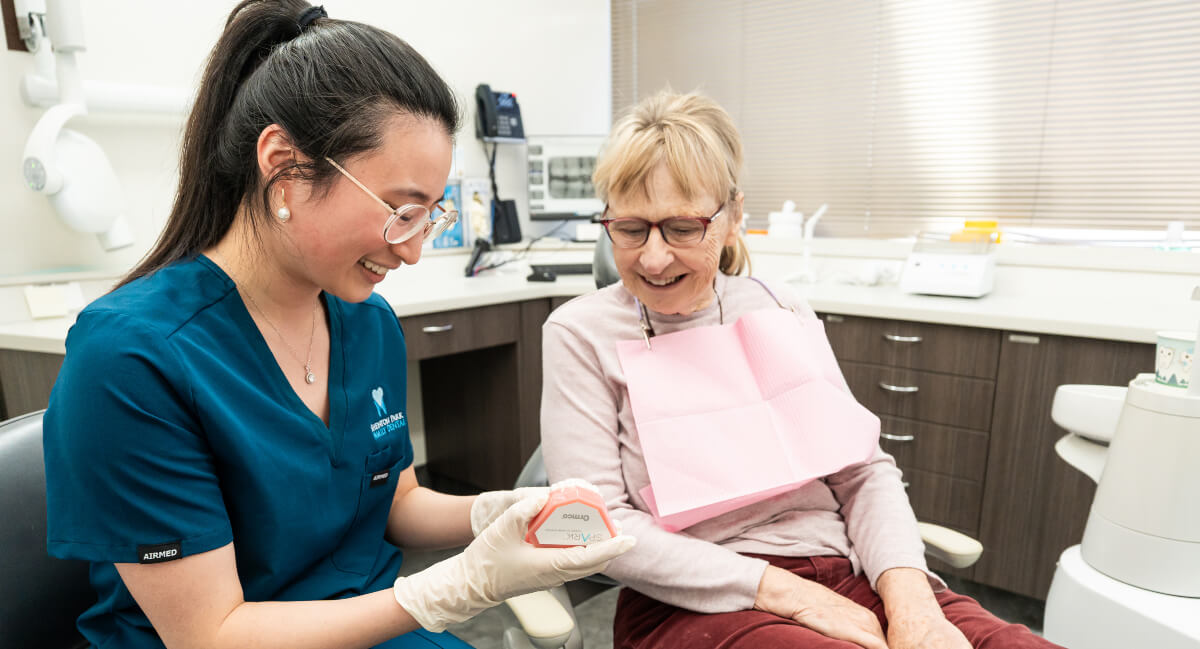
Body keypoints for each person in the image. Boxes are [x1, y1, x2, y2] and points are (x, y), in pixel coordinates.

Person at [42, 3, 633, 648]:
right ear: (284, 164)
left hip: (363, 626)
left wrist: (500, 511)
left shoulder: (366, 323)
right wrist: (455, 587)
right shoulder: (131, 359)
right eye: (401, 211)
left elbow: (395, 503)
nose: (411, 249)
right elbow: (210, 634)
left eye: (429, 216)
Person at [539, 90, 1062, 649]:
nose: (654, 257)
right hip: (691, 599)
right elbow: (600, 524)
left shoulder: (780, 308)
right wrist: (788, 593)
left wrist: (914, 608)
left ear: (733, 216)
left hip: (850, 573)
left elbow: (861, 471)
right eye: (631, 229)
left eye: (683, 228)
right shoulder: (581, 333)